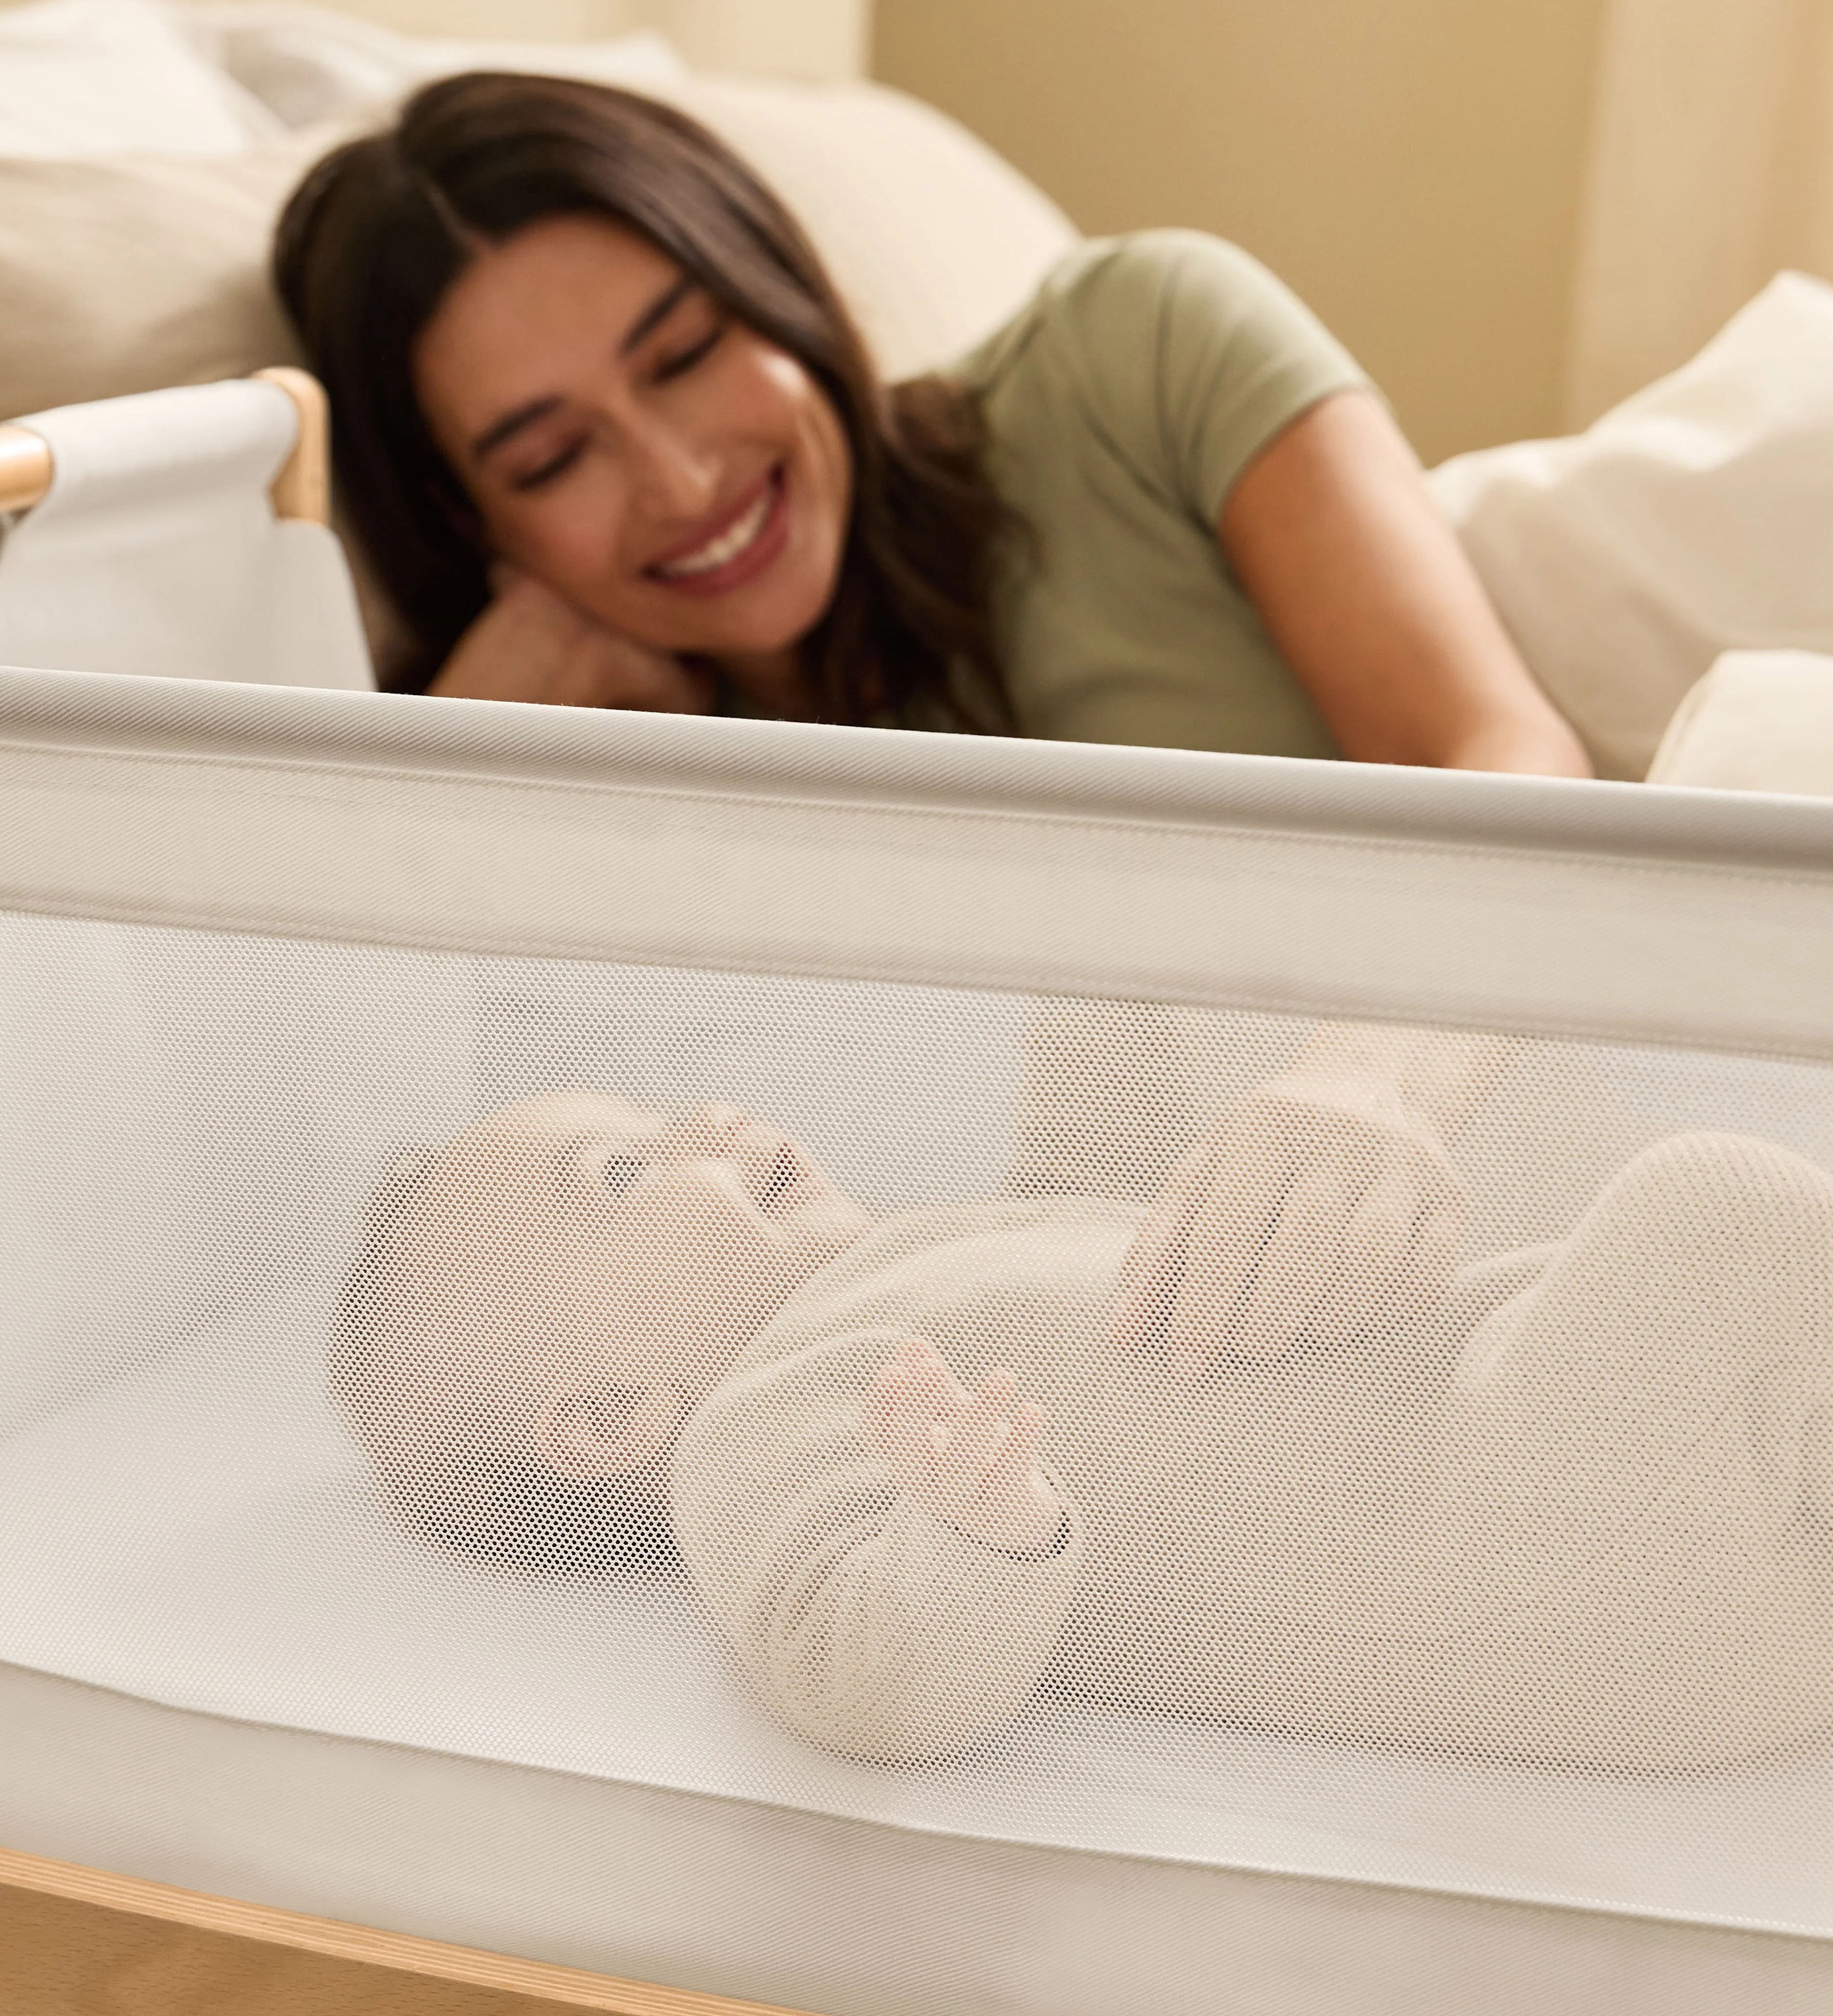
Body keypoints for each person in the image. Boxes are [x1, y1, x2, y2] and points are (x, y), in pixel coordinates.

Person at [333, 1055, 1833, 1775]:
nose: (706, 1125)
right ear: (605, 1416)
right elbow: (873, 1687)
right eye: (621, 1175)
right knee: (1717, 1208)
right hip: (1515, 1572)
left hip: (1580, 1483)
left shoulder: (920, 1255)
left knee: (1669, 1261)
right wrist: (976, 1542)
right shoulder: (761, 1427)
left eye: (658, 1109)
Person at [274, 72, 1590, 776]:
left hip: (1479, 1169)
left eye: (684, 355)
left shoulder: (1138, 348)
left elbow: (1500, 754)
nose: (679, 483)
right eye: (553, 459)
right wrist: (463, 751)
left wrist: (1366, 1078)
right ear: (467, 517)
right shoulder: (618, 771)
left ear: (778, 296)